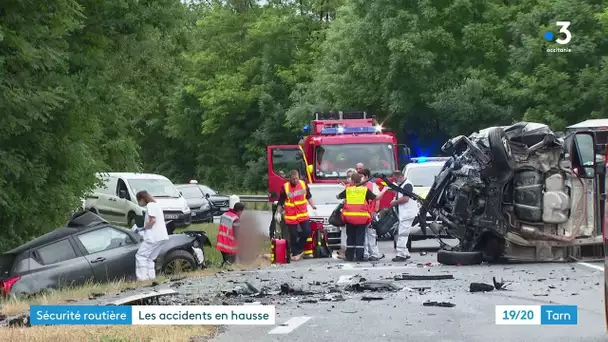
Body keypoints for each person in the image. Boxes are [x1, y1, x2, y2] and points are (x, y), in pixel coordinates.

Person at [275, 170, 317, 261]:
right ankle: (295, 252)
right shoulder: (285, 187)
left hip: (302, 214)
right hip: (291, 216)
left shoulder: (303, 184)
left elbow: (308, 196)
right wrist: (278, 212)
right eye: (293, 179)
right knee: (293, 235)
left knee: (306, 231)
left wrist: (314, 207)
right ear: (290, 178)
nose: (295, 180)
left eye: (297, 178)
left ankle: (298, 249)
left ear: (299, 177)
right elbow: (281, 201)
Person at [337, 173, 376, 261]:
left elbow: (338, 196)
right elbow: (374, 197)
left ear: (353, 181)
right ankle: (359, 257)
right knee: (360, 238)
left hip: (349, 218)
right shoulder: (364, 190)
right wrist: (384, 190)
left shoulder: (348, 190)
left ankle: (349, 256)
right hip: (362, 218)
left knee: (350, 237)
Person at [135, 190, 169, 281]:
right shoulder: (157, 205)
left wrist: (144, 227)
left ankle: (142, 278)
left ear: (142, 199)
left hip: (153, 236)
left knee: (140, 256)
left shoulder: (150, 205)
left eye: (138, 200)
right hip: (162, 237)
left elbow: (153, 220)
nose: (139, 203)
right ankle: (151, 277)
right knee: (150, 258)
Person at [389, 170, 417, 262]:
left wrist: (394, 202)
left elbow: (405, 199)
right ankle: (405, 253)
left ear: (401, 177)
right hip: (405, 213)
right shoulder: (402, 185)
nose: (395, 181)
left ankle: (400, 254)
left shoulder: (407, 185)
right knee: (402, 233)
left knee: (402, 234)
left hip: (407, 213)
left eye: (396, 179)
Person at [359, 168, 385, 261]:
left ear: (366, 177)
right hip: (361, 214)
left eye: (362, 176)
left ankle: (374, 254)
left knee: (371, 235)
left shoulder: (372, 186)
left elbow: (377, 199)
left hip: (370, 213)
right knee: (363, 235)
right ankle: (365, 253)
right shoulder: (358, 186)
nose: (360, 178)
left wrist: (375, 212)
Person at [216, 202, 245, 266]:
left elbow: (225, 228)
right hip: (229, 246)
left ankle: (221, 266)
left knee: (225, 260)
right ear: (239, 211)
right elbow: (236, 234)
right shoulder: (235, 219)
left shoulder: (224, 215)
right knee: (230, 261)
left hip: (221, 243)